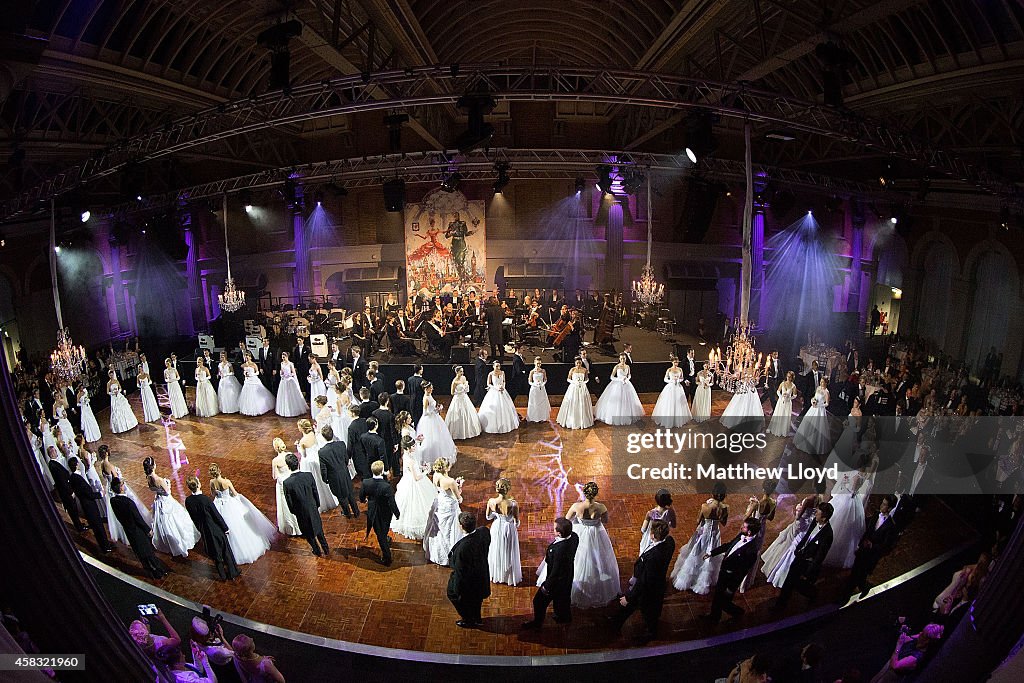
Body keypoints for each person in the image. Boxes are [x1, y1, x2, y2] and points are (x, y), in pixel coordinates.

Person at [538, 482, 619, 608]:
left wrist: (579, 520)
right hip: (596, 533)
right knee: (596, 558)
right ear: (596, 493)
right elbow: (605, 520)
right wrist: (595, 520)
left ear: (584, 492)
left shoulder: (577, 506)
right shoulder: (601, 507)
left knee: (577, 559)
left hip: (579, 532)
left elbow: (567, 519)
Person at [612, 519, 676, 641]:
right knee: (635, 608)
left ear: (652, 535)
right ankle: (616, 622)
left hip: (649, 589)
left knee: (647, 611)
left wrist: (629, 596)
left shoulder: (653, 557)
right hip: (656, 582)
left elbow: (644, 581)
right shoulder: (670, 541)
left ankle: (651, 633)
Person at [209, 464, 276, 565]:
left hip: (219, 505)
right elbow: (235, 494)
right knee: (239, 524)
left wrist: (219, 494)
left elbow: (213, 494)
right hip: (230, 504)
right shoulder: (226, 482)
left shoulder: (212, 482)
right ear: (220, 470)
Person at [762, 484, 826, 588]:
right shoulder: (820, 498)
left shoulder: (809, 499)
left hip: (800, 523)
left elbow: (798, 516)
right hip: (807, 523)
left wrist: (795, 510)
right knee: (789, 543)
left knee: (787, 542)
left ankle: (775, 565)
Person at [671, 482, 729, 594]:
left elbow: (698, 520)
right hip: (714, 534)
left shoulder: (705, 506)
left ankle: (689, 579)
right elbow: (724, 523)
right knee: (710, 556)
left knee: (696, 553)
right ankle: (702, 581)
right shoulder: (725, 508)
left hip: (703, 532)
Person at [523, 518, 579, 629]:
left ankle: (537, 624)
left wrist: (546, 587)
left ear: (559, 533)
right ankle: (565, 617)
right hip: (568, 576)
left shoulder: (558, 550)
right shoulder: (574, 537)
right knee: (564, 598)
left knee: (538, 602)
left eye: (554, 528)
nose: (552, 529)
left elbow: (555, 572)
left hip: (555, 582)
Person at [109, 477, 169, 578]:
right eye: (123, 484)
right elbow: (138, 518)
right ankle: (158, 571)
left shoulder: (113, 500)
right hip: (137, 531)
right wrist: (147, 529)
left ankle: (150, 571)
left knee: (140, 553)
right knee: (148, 552)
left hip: (128, 530)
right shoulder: (128, 502)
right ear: (121, 488)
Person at [704, 517, 762, 622]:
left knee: (723, 600)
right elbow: (729, 546)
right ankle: (716, 616)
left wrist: (731, 588)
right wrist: (712, 553)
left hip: (730, 578)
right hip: (724, 572)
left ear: (749, 532)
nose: (741, 528)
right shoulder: (741, 535)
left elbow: (742, 572)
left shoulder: (751, 551)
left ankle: (735, 613)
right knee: (719, 597)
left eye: (744, 527)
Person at [777, 502, 834, 607]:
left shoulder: (828, 535)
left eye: (818, 513)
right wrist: (798, 548)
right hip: (800, 556)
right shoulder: (815, 521)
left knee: (799, 584)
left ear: (824, 518)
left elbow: (820, 556)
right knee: (789, 581)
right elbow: (807, 536)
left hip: (807, 563)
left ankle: (812, 594)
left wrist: (809, 571)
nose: (815, 514)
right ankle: (780, 604)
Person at [184, 475, 240, 580]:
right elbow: (216, 515)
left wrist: (200, 528)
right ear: (198, 485)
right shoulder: (205, 499)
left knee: (215, 553)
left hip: (204, 530)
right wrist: (225, 527)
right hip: (215, 529)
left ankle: (222, 575)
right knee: (225, 551)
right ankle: (232, 572)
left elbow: (193, 517)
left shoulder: (188, 501)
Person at [144, 456, 200, 558]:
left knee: (163, 522)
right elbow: (167, 492)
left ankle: (166, 542)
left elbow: (154, 489)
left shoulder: (148, 478)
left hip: (159, 501)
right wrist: (167, 484)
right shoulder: (159, 480)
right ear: (153, 466)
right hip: (166, 501)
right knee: (174, 520)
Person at [846, 494, 900, 597]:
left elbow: (886, 547)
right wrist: (859, 544)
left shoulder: (891, 526)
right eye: (882, 503)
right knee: (855, 573)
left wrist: (872, 546)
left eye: (884, 505)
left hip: (871, 556)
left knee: (860, 574)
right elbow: (867, 531)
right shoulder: (876, 514)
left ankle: (851, 592)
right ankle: (860, 586)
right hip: (862, 550)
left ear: (890, 508)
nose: (881, 506)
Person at [446, 512, 491, 629]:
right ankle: (477, 618)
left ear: (461, 526)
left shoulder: (462, 549)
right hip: (481, 574)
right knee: (477, 600)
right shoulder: (484, 532)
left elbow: (460, 573)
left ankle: (468, 619)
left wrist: (457, 590)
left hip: (469, 581)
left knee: (452, 595)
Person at [282, 453, 330, 557]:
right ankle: (326, 549)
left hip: (301, 512)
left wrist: (294, 511)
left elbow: (289, 501)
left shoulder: (287, 483)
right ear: (298, 463)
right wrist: (317, 504)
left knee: (308, 533)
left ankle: (316, 550)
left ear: (288, 466)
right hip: (313, 508)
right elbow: (315, 491)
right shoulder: (308, 475)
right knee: (319, 530)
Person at [391, 435, 435, 539]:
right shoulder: (409, 459)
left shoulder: (407, 455)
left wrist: (421, 467)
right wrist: (426, 472)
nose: (415, 447)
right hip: (413, 483)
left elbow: (412, 467)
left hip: (408, 479)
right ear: (407, 448)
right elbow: (416, 478)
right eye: (413, 446)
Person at [67, 456, 114, 552]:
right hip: (89, 506)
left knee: (97, 526)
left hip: (87, 504)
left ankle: (105, 544)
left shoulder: (72, 477)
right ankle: (105, 547)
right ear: (76, 465)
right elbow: (88, 494)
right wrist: (101, 493)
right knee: (98, 526)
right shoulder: (77, 479)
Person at [423, 457, 464, 566]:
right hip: (450, 506)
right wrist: (459, 487)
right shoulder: (450, 481)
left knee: (440, 529)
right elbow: (459, 499)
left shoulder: (436, 475)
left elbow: (438, 489)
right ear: (446, 468)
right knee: (449, 531)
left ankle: (435, 553)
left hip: (440, 503)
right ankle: (448, 556)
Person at [868, 623, 943, 683]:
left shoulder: (917, 656)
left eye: (923, 633)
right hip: (888, 666)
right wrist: (903, 631)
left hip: (892, 677)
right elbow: (907, 638)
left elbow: (895, 666)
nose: (920, 633)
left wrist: (898, 645)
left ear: (927, 640)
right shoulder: (920, 639)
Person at [360, 460, 401, 565]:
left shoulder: (366, 482)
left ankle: (385, 537)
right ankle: (387, 558)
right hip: (385, 512)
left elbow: (361, 497)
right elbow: (392, 502)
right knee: (382, 535)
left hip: (373, 512)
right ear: (382, 471)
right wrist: (397, 514)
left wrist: (365, 500)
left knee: (380, 532)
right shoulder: (386, 486)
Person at [295, 419, 339, 514]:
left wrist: (298, 447)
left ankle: (318, 503)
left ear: (302, 428)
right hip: (317, 458)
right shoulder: (313, 434)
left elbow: (304, 455)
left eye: (299, 426)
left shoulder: (303, 441)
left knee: (313, 482)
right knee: (321, 479)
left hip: (309, 462)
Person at [486, 478, 522, 586]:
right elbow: (516, 522)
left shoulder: (491, 501)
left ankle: (497, 573)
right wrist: (513, 524)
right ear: (508, 489)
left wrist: (496, 516)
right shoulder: (513, 504)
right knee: (508, 550)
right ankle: (508, 575)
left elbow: (488, 517)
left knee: (496, 549)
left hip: (496, 527)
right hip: (508, 529)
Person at [318, 425, 359, 519]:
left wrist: (325, 479)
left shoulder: (322, 452)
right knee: (350, 493)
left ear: (323, 437)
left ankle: (347, 513)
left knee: (341, 497)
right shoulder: (341, 444)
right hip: (345, 474)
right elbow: (346, 459)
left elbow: (323, 469)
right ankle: (356, 512)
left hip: (334, 478)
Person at [594, 354, 644, 425]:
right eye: (621, 359)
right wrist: (619, 379)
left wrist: (627, 379)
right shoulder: (617, 366)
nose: (623, 360)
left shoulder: (627, 366)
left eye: (624, 358)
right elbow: (611, 377)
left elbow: (629, 375)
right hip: (617, 384)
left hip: (626, 384)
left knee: (627, 400)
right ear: (619, 359)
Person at [416, 382, 458, 464]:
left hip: (435, 417)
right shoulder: (425, 398)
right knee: (431, 437)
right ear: (426, 389)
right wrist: (436, 411)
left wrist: (437, 408)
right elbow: (425, 413)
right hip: (429, 420)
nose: (432, 389)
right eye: (430, 388)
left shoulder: (429, 395)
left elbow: (432, 406)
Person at [188, 618, 239, 683]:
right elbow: (233, 653)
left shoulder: (196, 643)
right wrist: (222, 637)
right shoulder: (218, 651)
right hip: (228, 666)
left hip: (215, 664)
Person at [477, 360, 520, 433]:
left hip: (502, 391)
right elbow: (488, 384)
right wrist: (496, 388)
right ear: (493, 366)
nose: (498, 367)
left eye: (499, 366)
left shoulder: (502, 372)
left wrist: (503, 387)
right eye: (496, 366)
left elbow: (504, 381)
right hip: (494, 391)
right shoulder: (491, 374)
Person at [47, 447, 84, 531]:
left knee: (73, 508)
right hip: (66, 492)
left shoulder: (54, 463)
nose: (56, 452)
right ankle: (79, 527)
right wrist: (70, 491)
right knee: (72, 509)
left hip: (66, 490)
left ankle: (78, 523)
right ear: (52, 453)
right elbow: (61, 481)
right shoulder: (53, 465)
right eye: (55, 451)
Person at [793, 378, 831, 455]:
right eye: (820, 382)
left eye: (823, 382)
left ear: (826, 383)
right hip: (813, 408)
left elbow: (827, 404)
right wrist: (812, 401)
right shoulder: (818, 388)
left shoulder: (826, 392)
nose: (821, 383)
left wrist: (819, 405)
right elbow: (814, 397)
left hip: (820, 410)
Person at [271, 439, 300, 536]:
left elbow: (275, 476)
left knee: (286, 504)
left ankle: (291, 528)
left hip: (282, 483)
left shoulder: (275, 461)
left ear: (275, 448)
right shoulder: (290, 454)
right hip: (292, 480)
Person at [652, 355, 692, 427]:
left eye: (677, 362)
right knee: (670, 402)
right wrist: (671, 381)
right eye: (674, 362)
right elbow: (665, 379)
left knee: (678, 403)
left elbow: (682, 378)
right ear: (672, 362)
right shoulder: (669, 370)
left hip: (678, 387)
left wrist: (678, 380)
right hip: (670, 387)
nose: (676, 364)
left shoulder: (680, 369)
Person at [446, 366, 482, 439]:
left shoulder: (464, 378)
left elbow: (466, 389)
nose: (462, 373)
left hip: (465, 397)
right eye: (460, 371)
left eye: (462, 371)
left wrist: (466, 388)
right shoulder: (454, 382)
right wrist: (460, 392)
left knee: (468, 413)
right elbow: (452, 393)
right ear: (457, 372)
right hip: (458, 399)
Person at [557, 358, 594, 429]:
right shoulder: (572, 370)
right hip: (573, 387)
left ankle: (583, 420)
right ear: (575, 363)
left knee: (582, 402)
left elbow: (587, 379)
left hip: (582, 387)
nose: (578, 364)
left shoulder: (584, 370)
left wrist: (582, 383)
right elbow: (568, 379)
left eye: (580, 363)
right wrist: (574, 382)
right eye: (577, 363)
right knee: (573, 401)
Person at [639, 489, 677, 555]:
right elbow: (673, 525)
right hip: (662, 536)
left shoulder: (650, 513)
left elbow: (643, 529)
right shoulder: (671, 512)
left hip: (650, 538)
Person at [276, 352, 308, 417]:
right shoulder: (282, 363)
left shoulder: (290, 364)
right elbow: (281, 372)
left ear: (287, 356)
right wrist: (282, 375)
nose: (283, 358)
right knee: (284, 395)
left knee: (291, 395)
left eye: (284, 357)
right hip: (284, 381)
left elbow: (294, 373)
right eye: (282, 357)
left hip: (290, 380)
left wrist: (289, 375)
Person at [108, 369, 139, 433]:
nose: (111, 376)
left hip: (119, 396)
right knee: (116, 411)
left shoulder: (116, 381)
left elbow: (120, 388)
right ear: (109, 376)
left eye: (112, 375)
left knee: (124, 408)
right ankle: (119, 427)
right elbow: (107, 392)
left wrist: (118, 391)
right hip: (114, 398)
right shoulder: (108, 383)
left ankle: (129, 424)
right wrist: (113, 393)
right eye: (110, 375)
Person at [768, 371, 798, 437]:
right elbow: (778, 391)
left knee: (785, 415)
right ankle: (777, 428)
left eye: (790, 377)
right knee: (779, 413)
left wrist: (788, 397)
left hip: (788, 403)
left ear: (792, 378)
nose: (788, 378)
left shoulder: (793, 386)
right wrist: (781, 397)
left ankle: (783, 430)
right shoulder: (783, 383)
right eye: (787, 376)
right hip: (781, 402)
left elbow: (795, 395)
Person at [525, 357, 551, 423]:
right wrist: (535, 384)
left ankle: (542, 417)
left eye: (540, 363)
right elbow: (529, 381)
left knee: (541, 402)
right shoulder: (532, 372)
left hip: (541, 388)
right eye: (537, 363)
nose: (538, 365)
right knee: (534, 402)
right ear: (534, 363)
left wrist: (542, 384)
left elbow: (545, 379)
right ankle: (534, 417)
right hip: (534, 389)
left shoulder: (543, 371)